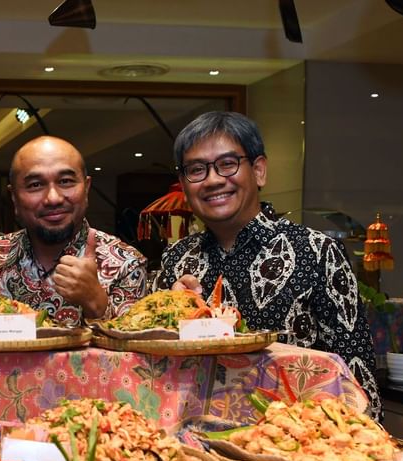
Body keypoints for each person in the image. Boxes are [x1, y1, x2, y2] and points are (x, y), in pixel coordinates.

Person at [156, 111, 380, 415]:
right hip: (190, 435)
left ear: (259, 170)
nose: (212, 180)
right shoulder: (176, 259)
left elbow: (356, 373)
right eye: (196, 169)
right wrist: (172, 313)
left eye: (227, 164)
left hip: (292, 436)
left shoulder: (316, 252)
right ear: (184, 184)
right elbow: (154, 364)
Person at [0, 135, 146, 324]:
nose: (53, 198)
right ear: (14, 197)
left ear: (86, 188)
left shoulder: (126, 264)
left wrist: (97, 306)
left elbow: (139, 340)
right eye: (35, 185)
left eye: (65, 181)